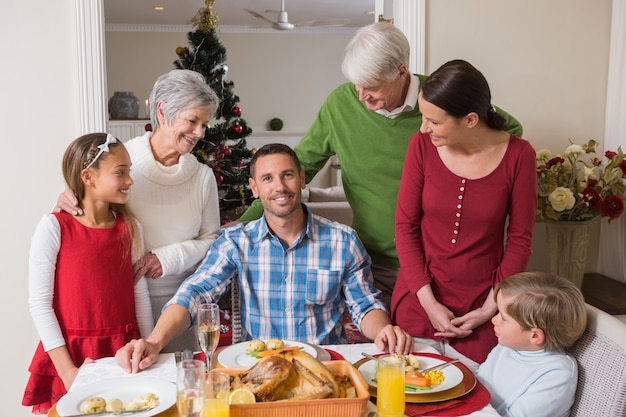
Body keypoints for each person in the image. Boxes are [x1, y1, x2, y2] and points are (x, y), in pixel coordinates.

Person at [237, 22, 523, 308]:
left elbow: (507, 131)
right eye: (356, 85)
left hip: (440, 266)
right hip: (374, 262)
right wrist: (243, 224)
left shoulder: (440, 101)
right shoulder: (340, 105)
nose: (361, 96)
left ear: (401, 72)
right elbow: (298, 168)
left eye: (371, 86)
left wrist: (454, 156)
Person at [115, 143, 414, 373]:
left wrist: (383, 329)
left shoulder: (343, 240)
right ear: (255, 188)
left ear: (302, 178)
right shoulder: (236, 242)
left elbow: (365, 305)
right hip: (257, 370)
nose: (279, 187)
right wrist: (154, 342)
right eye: (268, 179)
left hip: (323, 369)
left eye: (287, 175)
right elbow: (195, 293)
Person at [55, 70, 222, 352]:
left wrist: (166, 258)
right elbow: (85, 213)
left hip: (182, 307)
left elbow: (212, 240)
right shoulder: (121, 162)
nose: (199, 133)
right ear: (162, 111)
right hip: (123, 303)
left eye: (204, 124)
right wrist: (67, 198)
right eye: (193, 121)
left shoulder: (202, 178)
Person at [391, 59, 537, 369]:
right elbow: (405, 228)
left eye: (434, 121)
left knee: (476, 398)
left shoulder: (519, 155)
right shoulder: (421, 146)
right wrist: (429, 304)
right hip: (419, 299)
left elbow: (520, 239)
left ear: (470, 120)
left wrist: (490, 309)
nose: (423, 127)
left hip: (484, 308)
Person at [23, 133, 154, 414]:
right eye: (121, 172)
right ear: (88, 177)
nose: (130, 180)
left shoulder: (131, 228)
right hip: (73, 357)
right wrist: (68, 372)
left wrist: (149, 345)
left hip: (124, 351)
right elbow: (39, 303)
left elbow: (139, 295)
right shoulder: (54, 226)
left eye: (129, 171)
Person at [477, 272, 587, 417]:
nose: (494, 320)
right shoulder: (509, 345)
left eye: (503, 318)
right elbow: (476, 383)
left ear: (534, 336)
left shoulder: (557, 374)